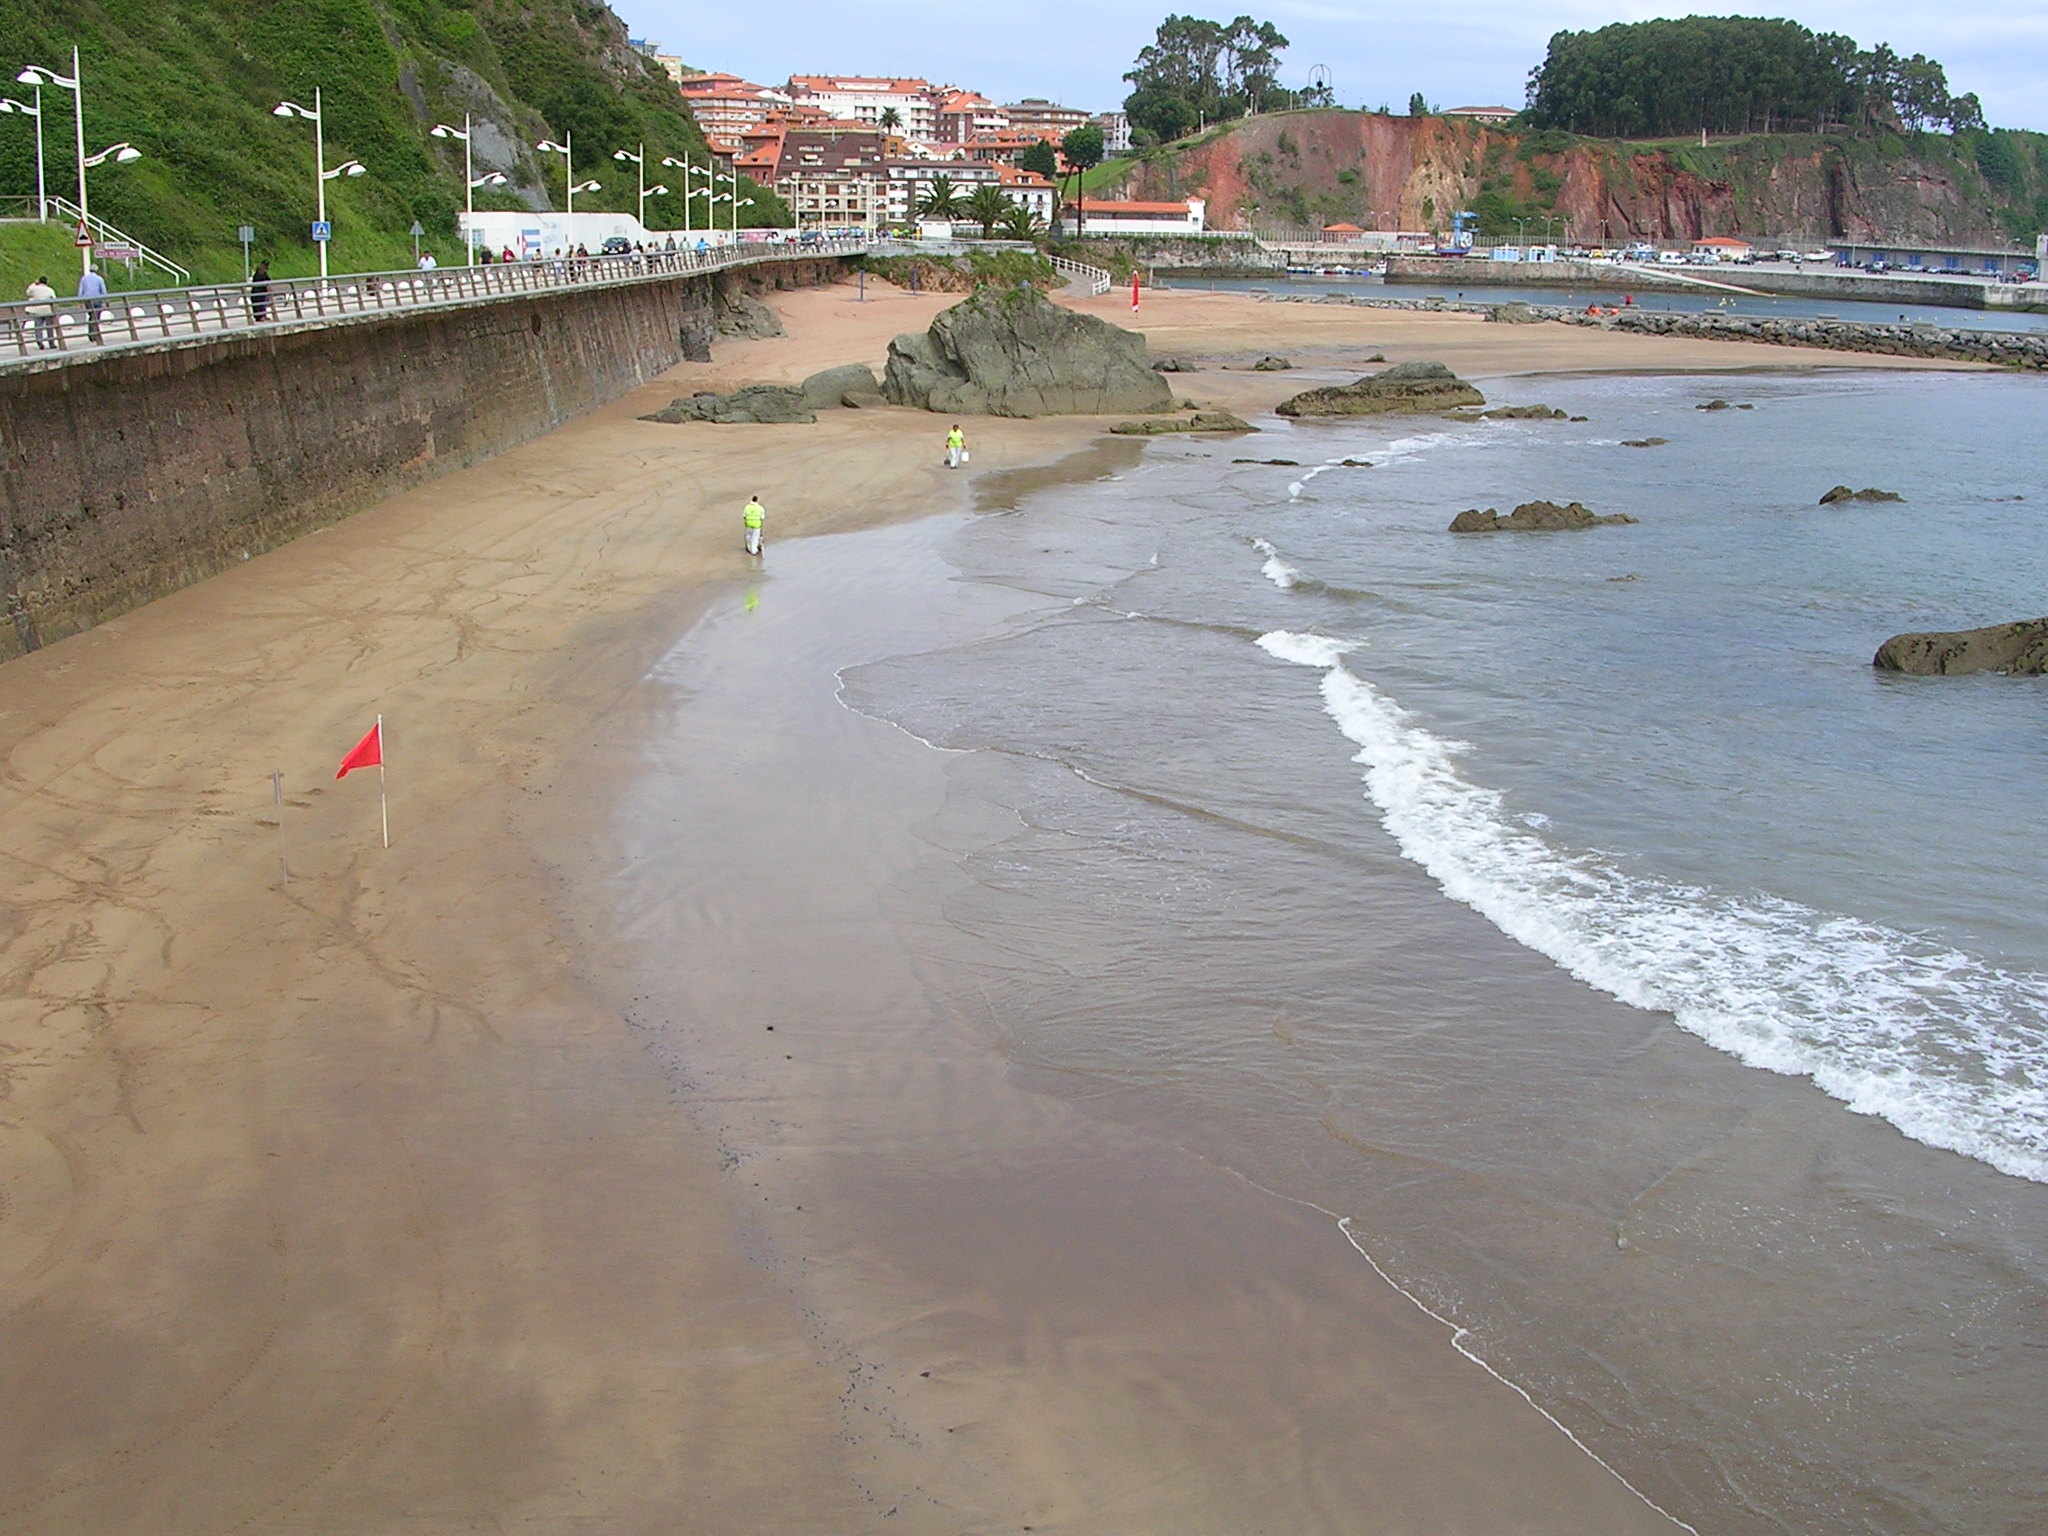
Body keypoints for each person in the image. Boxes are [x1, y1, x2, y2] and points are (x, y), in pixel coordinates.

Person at [24, 274, 57, 350]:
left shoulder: (35, 289)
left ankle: (40, 342)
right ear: (46, 282)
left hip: (37, 310)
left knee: (38, 327)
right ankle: (51, 342)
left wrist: (33, 283)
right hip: (48, 310)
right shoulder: (50, 290)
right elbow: (54, 300)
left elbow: (28, 292)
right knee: (49, 327)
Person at [77, 263, 108, 344]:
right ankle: (96, 334)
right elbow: (103, 291)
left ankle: (91, 334)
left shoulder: (84, 279)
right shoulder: (99, 279)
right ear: (96, 270)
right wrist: (106, 301)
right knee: (97, 317)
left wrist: (80, 301)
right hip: (97, 300)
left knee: (91, 316)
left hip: (88, 300)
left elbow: (81, 291)